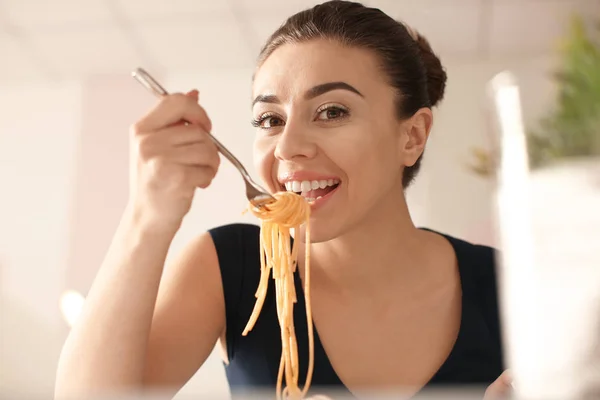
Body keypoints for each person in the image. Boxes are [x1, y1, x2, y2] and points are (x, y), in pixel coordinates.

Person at [55, 1, 512, 399]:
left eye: (332, 111)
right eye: (269, 119)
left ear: (412, 136)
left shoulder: (510, 282)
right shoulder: (229, 267)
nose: (288, 146)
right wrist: (147, 218)